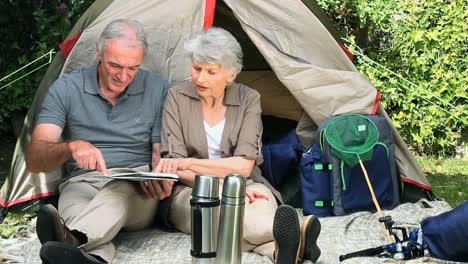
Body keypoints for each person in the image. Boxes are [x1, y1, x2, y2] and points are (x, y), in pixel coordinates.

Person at [153, 27, 321, 263]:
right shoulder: (176, 97)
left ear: (231, 74)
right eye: (196, 68)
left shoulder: (249, 99)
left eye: (211, 72)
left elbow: (243, 166)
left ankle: (282, 251)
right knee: (221, 216)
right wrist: (225, 189)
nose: (200, 78)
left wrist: (191, 162)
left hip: (247, 182)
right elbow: (176, 168)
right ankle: (295, 245)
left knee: (260, 210)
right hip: (190, 189)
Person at [25, 19, 170, 264]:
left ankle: (72, 239)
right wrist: (71, 147)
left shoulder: (157, 88)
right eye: (115, 65)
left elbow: (161, 153)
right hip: (81, 183)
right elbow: (35, 159)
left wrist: (162, 175)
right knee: (82, 228)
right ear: (98, 52)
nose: (124, 76)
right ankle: (85, 253)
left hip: (136, 185)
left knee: (118, 191)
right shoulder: (67, 88)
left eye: (133, 68)